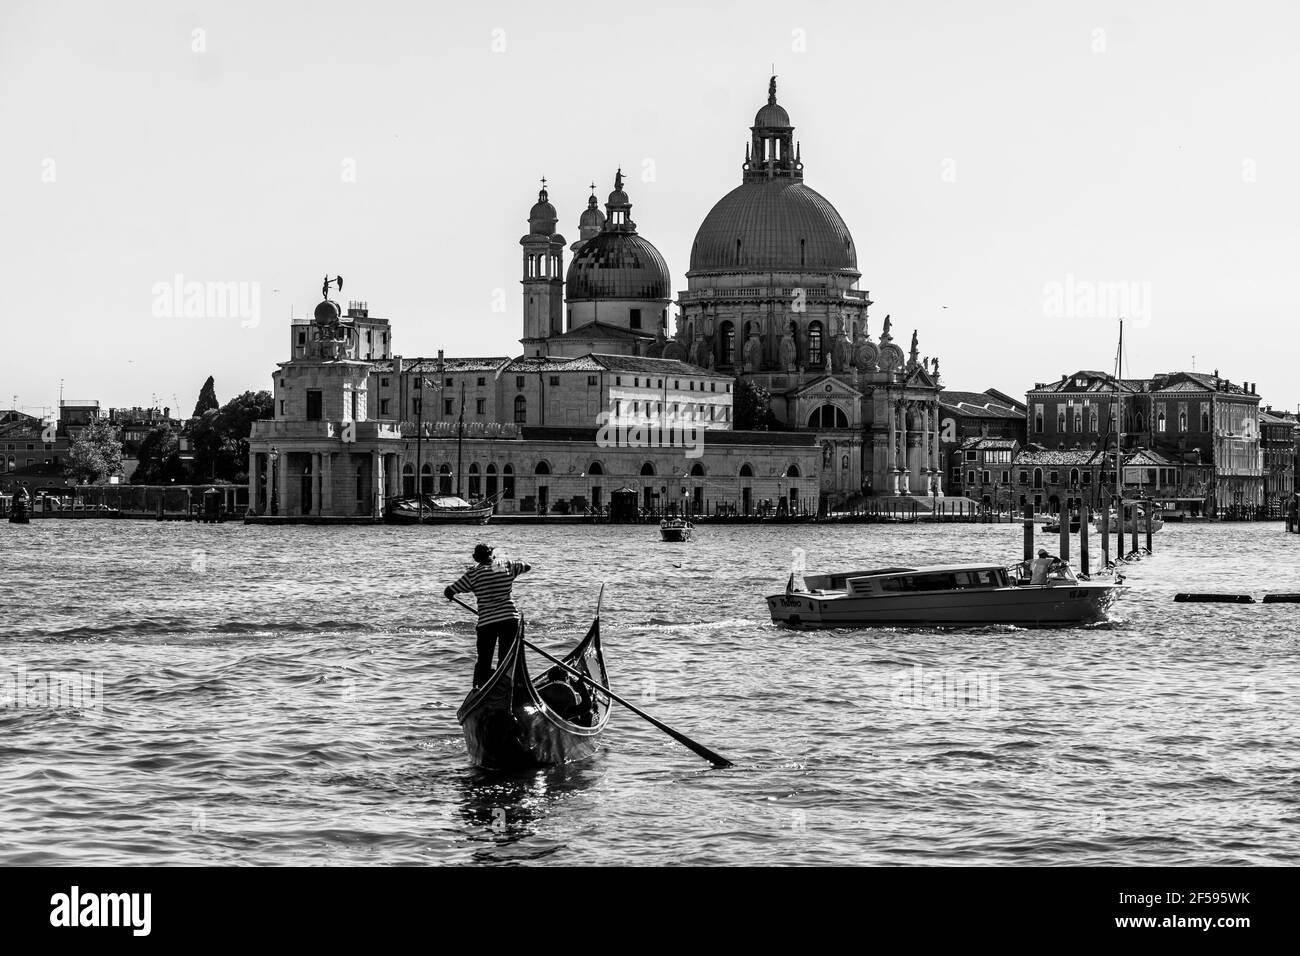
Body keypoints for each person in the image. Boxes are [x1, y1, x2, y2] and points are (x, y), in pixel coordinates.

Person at [444, 544, 531, 688]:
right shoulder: (505, 565)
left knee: (484, 660)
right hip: (510, 619)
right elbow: (527, 566)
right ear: (492, 554)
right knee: (506, 658)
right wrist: (502, 562)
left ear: (475, 558)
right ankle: (505, 685)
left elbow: (449, 591)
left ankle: (479, 688)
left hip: (487, 623)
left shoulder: (472, 574)